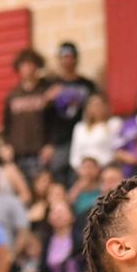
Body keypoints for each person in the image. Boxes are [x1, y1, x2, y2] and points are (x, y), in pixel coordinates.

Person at [45, 43, 99, 178]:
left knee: (82, 175)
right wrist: (48, 143)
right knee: (58, 173)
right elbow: (44, 117)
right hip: (60, 139)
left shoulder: (87, 84)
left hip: (84, 137)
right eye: (64, 57)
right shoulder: (51, 85)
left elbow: (97, 108)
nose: (67, 61)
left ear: (76, 59)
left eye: (70, 57)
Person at [3, 49, 53, 175]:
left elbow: (54, 122)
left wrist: (50, 144)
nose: (28, 69)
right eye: (24, 65)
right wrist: (7, 145)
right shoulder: (13, 95)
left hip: (41, 152)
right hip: (18, 153)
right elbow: (6, 124)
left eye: (32, 65)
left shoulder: (45, 92)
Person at [68, 96, 120, 173]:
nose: (96, 108)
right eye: (92, 105)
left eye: (98, 105)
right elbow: (74, 155)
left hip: (104, 168)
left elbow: (115, 151)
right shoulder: (79, 127)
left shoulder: (114, 124)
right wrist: (82, 169)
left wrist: (97, 167)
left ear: (105, 107)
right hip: (82, 171)